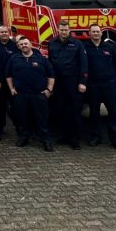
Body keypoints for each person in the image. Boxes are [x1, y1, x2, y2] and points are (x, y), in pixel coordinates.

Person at [5, 37, 54, 152]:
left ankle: (45, 140)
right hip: (21, 94)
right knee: (22, 118)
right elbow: (8, 75)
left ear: (31, 44)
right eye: (21, 44)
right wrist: (11, 89)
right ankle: (24, 137)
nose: (24, 45)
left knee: (42, 118)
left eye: (26, 43)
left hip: (38, 94)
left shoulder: (41, 59)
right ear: (18, 46)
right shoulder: (14, 59)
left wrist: (49, 89)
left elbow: (51, 75)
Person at [47, 19, 87, 150]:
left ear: (69, 30)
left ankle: (75, 139)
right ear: (58, 30)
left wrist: (82, 82)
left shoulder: (77, 44)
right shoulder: (52, 43)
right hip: (58, 82)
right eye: (61, 30)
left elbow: (83, 64)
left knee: (74, 110)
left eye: (66, 30)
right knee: (60, 109)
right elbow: (50, 62)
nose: (63, 32)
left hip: (73, 81)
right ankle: (64, 136)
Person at [85, 24, 116, 150]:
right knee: (94, 112)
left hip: (109, 84)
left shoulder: (110, 47)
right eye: (93, 32)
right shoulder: (85, 47)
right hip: (93, 85)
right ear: (89, 34)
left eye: (98, 31)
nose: (96, 34)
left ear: (101, 33)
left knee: (113, 112)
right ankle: (95, 137)